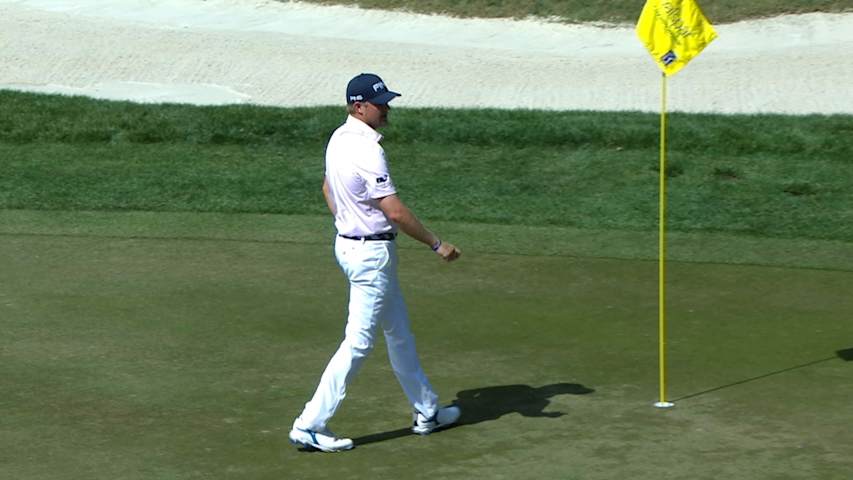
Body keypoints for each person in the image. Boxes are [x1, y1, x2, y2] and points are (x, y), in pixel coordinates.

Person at [288, 73, 462, 453]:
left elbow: (327, 188)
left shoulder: (338, 138)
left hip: (353, 247)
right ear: (358, 106)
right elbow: (394, 211)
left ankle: (427, 410)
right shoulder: (368, 150)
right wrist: (436, 244)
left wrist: (346, 222)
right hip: (371, 256)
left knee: (399, 333)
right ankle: (309, 424)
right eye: (380, 104)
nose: (386, 109)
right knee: (359, 342)